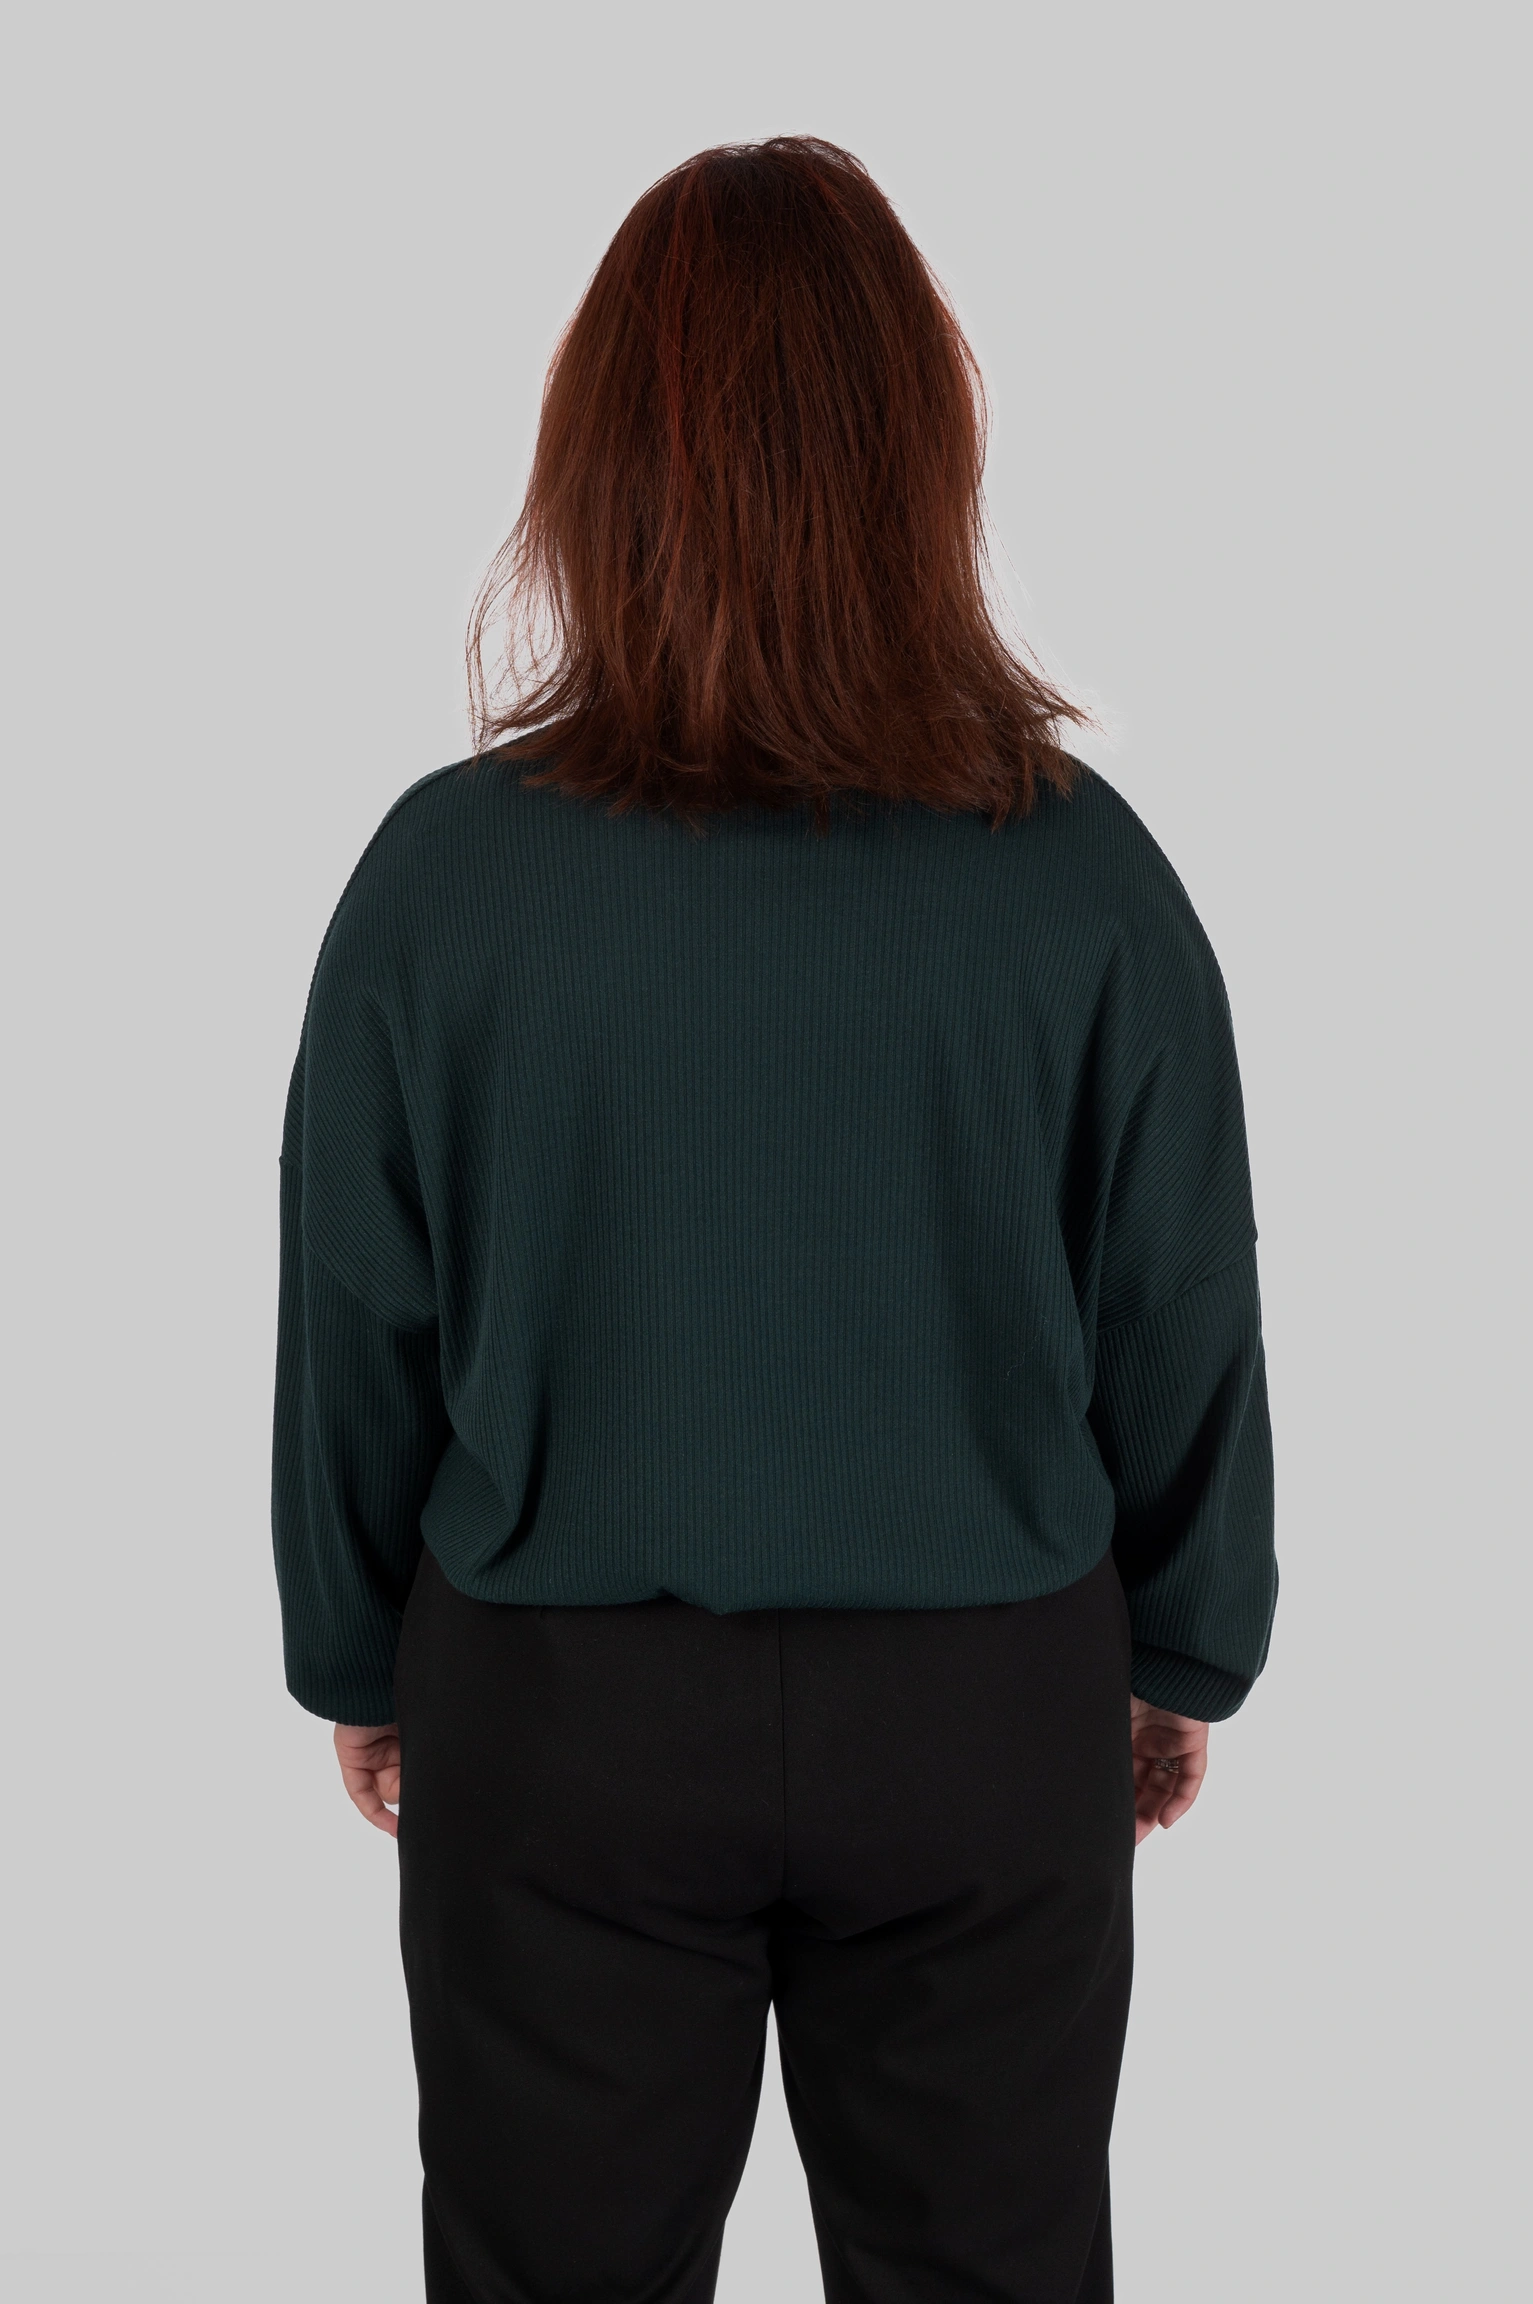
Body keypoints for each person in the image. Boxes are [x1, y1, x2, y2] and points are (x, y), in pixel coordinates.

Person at [272, 136, 1276, 2304]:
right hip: (985, 1704)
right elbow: (1180, 1293)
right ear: (923, 455)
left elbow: (358, 1303)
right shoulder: (1080, 873)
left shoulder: (446, 880)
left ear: (595, 463)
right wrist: (1184, 1641)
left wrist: (358, 1649)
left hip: (559, 1710)